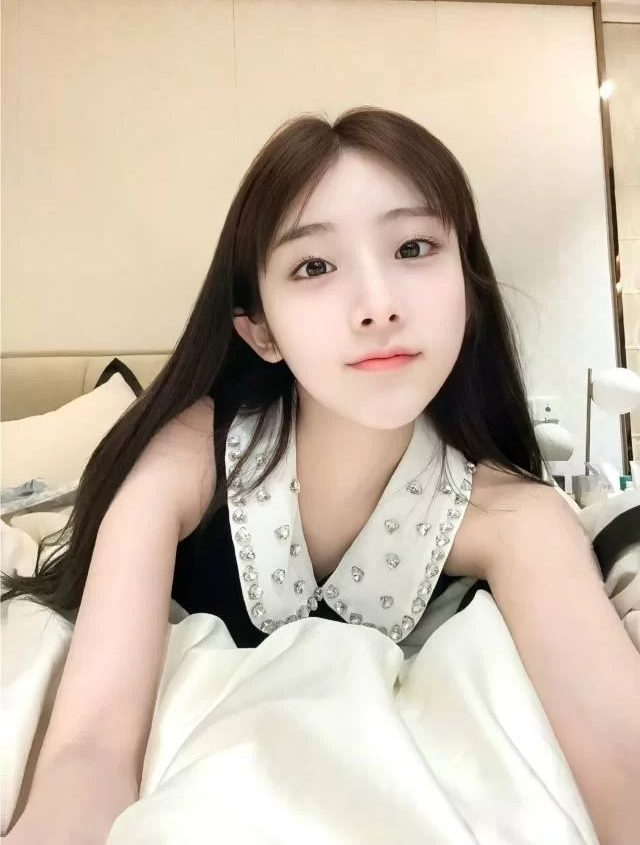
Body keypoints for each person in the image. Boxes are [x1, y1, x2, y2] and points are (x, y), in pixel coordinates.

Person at [2, 107, 639, 845]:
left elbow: (623, 758)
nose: (379, 307)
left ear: (466, 287)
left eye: (413, 247)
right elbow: (88, 755)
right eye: (314, 266)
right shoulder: (188, 454)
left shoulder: (515, 514)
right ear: (260, 330)